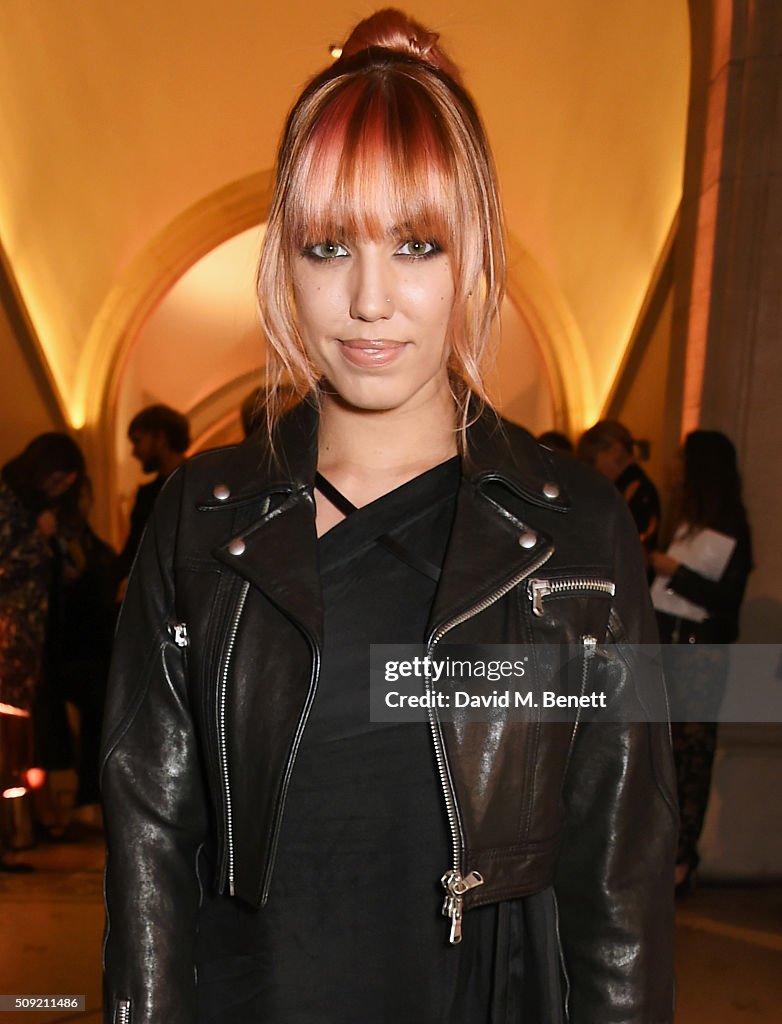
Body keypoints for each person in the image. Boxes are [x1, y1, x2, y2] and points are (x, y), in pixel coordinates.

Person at [101, 10, 677, 1023]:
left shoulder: (574, 531)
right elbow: (148, 848)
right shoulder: (200, 516)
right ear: (287, 259)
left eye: (416, 243)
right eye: (329, 246)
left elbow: (615, 884)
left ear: (474, 254)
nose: (370, 300)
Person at [650, 430, 752, 894]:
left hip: (700, 653)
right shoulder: (688, 518)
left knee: (691, 755)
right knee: (663, 752)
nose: (674, 467)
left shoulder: (733, 524)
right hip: (667, 646)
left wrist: (678, 574)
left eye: (682, 458)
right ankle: (660, 852)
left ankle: (681, 859)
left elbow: (726, 603)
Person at [0, 432, 84, 869]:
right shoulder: (8, 499)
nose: (60, 489)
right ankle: (14, 833)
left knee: (24, 735)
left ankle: (25, 826)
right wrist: (38, 539)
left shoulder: (43, 508)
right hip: (7, 639)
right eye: (56, 480)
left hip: (36, 638)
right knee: (9, 734)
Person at [114, 404, 190, 585]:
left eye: (137, 441)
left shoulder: (197, 485)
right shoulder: (148, 494)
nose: (134, 451)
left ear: (160, 438)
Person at [578, 419, 661, 556]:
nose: (593, 469)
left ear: (615, 450)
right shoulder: (627, 486)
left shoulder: (636, 490)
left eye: (592, 461)